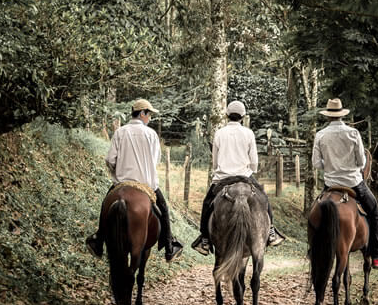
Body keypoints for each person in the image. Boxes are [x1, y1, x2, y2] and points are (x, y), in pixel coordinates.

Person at [86, 99, 183, 262]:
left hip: (122, 183)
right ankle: (169, 245)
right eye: (149, 114)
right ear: (142, 113)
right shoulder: (151, 134)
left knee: (105, 205)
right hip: (146, 185)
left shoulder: (120, 132)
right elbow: (155, 160)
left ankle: (98, 240)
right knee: (164, 210)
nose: (150, 118)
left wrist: (118, 172)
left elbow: (110, 159)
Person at [190, 100, 286, 255]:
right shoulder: (248, 133)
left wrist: (220, 169)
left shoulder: (219, 133)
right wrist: (251, 169)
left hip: (222, 178)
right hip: (244, 176)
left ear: (227, 115)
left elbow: (215, 162)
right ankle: (271, 232)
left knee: (207, 203)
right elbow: (254, 161)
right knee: (264, 199)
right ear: (243, 116)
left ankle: (205, 239)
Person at [312, 98, 378, 269]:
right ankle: (376, 254)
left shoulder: (320, 135)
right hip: (354, 183)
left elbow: (316, 163)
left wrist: (330, 166)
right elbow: (361, 161)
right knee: (374, 211)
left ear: (328, 116)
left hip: (330, 184)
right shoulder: (353, 133)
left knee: (315, 212)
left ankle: (312, 249)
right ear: (341, 115)